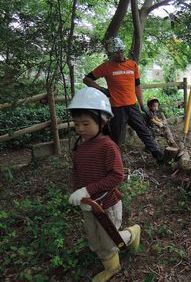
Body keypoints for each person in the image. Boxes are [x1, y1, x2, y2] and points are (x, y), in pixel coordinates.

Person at [67, 87, 141, 282]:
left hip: (106, 203)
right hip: (88, 204)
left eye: (85, 123)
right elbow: (77, 171)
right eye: (76, 124)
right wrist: (77, 191)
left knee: (109, 240)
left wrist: (87, 190)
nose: (80, 128)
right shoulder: (80, 145)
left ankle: (116, 262)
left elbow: (117, 176)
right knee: (93, 239)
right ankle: (116, 246)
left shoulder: (108, 146)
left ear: (103, 120)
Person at [82, 36, 163, 163]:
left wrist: (142, 105)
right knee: (115, 137)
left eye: (120, 51)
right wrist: (101, 89)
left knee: (143, 131)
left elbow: (137, 86)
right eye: (115, 53)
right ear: (111, 53)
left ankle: (158, 155)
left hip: (132, 106)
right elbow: (87, 79)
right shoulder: (107, 66)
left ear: (123, 50)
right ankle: (112, 161)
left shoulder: (132, 65)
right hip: (116, 108)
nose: (118, 55)